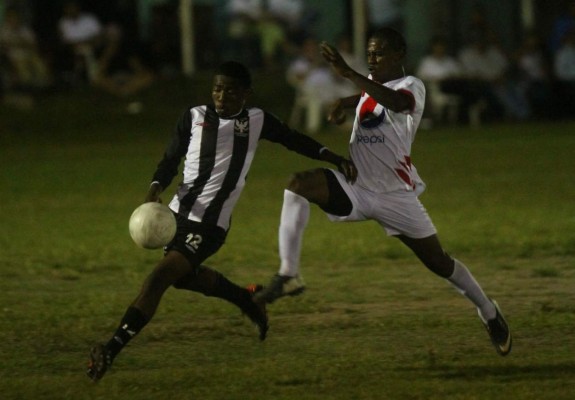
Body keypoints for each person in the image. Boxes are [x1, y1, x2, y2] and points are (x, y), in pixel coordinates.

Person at [86, 61, 356, 382]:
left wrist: (334, 157)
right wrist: (155, 188)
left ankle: (111, 348)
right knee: (183, 279)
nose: (221, 95)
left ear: (246, 94)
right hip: (175, 217)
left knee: (159, 279)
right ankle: (247, 299)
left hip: (209, 225)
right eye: (217, 88)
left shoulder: (256, 120)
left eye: (230, 90)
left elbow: (295, 139)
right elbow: (171, 159)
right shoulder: (193, 117)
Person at [254, 28, 512, 357]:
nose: (373, 59)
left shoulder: (411, 86)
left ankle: (488, 312)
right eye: (370, 53)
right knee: (298, 186)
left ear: (399, 56)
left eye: (379, 53)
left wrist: (349, 74)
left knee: (439, 262)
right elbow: (367, 98)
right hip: (357, 187)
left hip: (395, 195)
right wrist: (341, 103)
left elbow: (394, 102)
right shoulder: (372, 88)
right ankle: (288, 274)